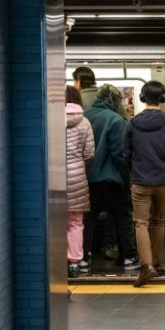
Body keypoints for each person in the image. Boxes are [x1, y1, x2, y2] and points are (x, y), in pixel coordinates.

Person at [123, 81, 165, 287]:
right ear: (162, 99)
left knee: (141, 223)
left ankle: (147, 266)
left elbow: (126, 154)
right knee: (159, 221)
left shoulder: (132, 125)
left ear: (142, 98)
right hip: (163, 181)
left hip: (140, 181)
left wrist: (136, 172)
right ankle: (154, 261)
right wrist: (164, 169)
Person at [83, 84, 139, 271]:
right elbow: (119, 154)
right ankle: (128, 256)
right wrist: (127, 179)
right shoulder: (115, 120)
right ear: (114, 101)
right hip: (113, 179)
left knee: (88, 220)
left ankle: (83, 258)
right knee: (122, 218)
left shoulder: (85, 116)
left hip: (89, 179)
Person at [64, 86, 95, 278]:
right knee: (75, 222)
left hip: (54, 175)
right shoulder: (84, 122)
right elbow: (90, 153)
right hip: (77, 176)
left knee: (54, 221)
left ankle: (55, 260)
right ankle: (74, 263)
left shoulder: (50, 119)